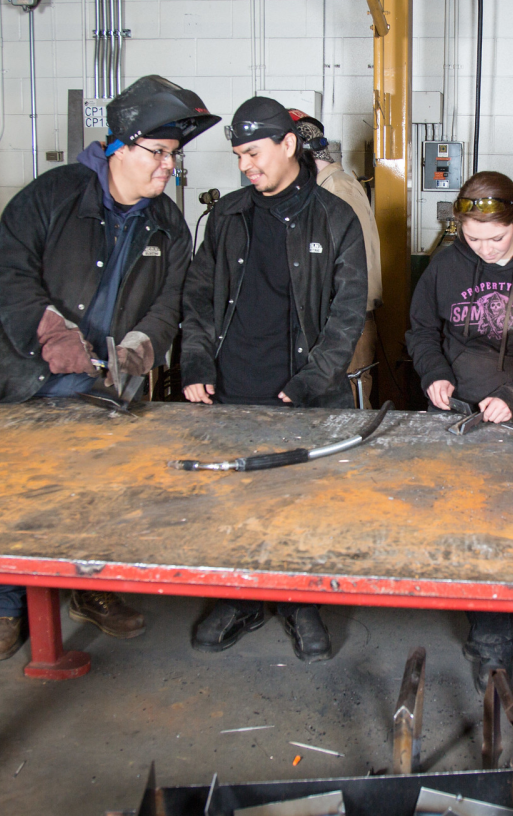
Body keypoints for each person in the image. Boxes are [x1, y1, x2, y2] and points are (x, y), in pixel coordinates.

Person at [0, 75, 219, 661]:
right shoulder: (52, 195)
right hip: (29, 382)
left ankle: (93, 591)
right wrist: (52, 333)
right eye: (159, 153)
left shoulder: (167, 221)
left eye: (174, 156)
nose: (169, 167)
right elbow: (7, 272)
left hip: (106, 391)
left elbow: (173, 300)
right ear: (120, 146)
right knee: (13, 497)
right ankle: (4, 606)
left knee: (100, 497)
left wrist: (144, 343)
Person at [180, 97, 367, 661]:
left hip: (303, 394)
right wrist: (194, 364)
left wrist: (314, 378)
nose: (245, 166)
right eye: (238, 155)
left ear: (288, 145)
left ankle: (300, 600)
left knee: (300, 504)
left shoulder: (335, 220)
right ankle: (241, 597)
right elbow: (198, 298)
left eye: (254, 153)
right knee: (234, 504)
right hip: (231, 387)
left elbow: (347, 311)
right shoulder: (229, 216)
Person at [405, 171, 513, 692]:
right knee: (466, 525)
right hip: (458, 412)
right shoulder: (447, 263)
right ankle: (485, 626)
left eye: (494, 238)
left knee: (510, 530)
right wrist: (434, 375)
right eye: (471, 238)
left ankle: (497, 635)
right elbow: (421, 331)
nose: (482, 249)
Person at [291, 112, 383, 406]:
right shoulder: (326, 187)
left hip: (349, 320)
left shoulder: (337, 189)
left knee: (351, 406)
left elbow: (351, 262)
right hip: (336, 318)